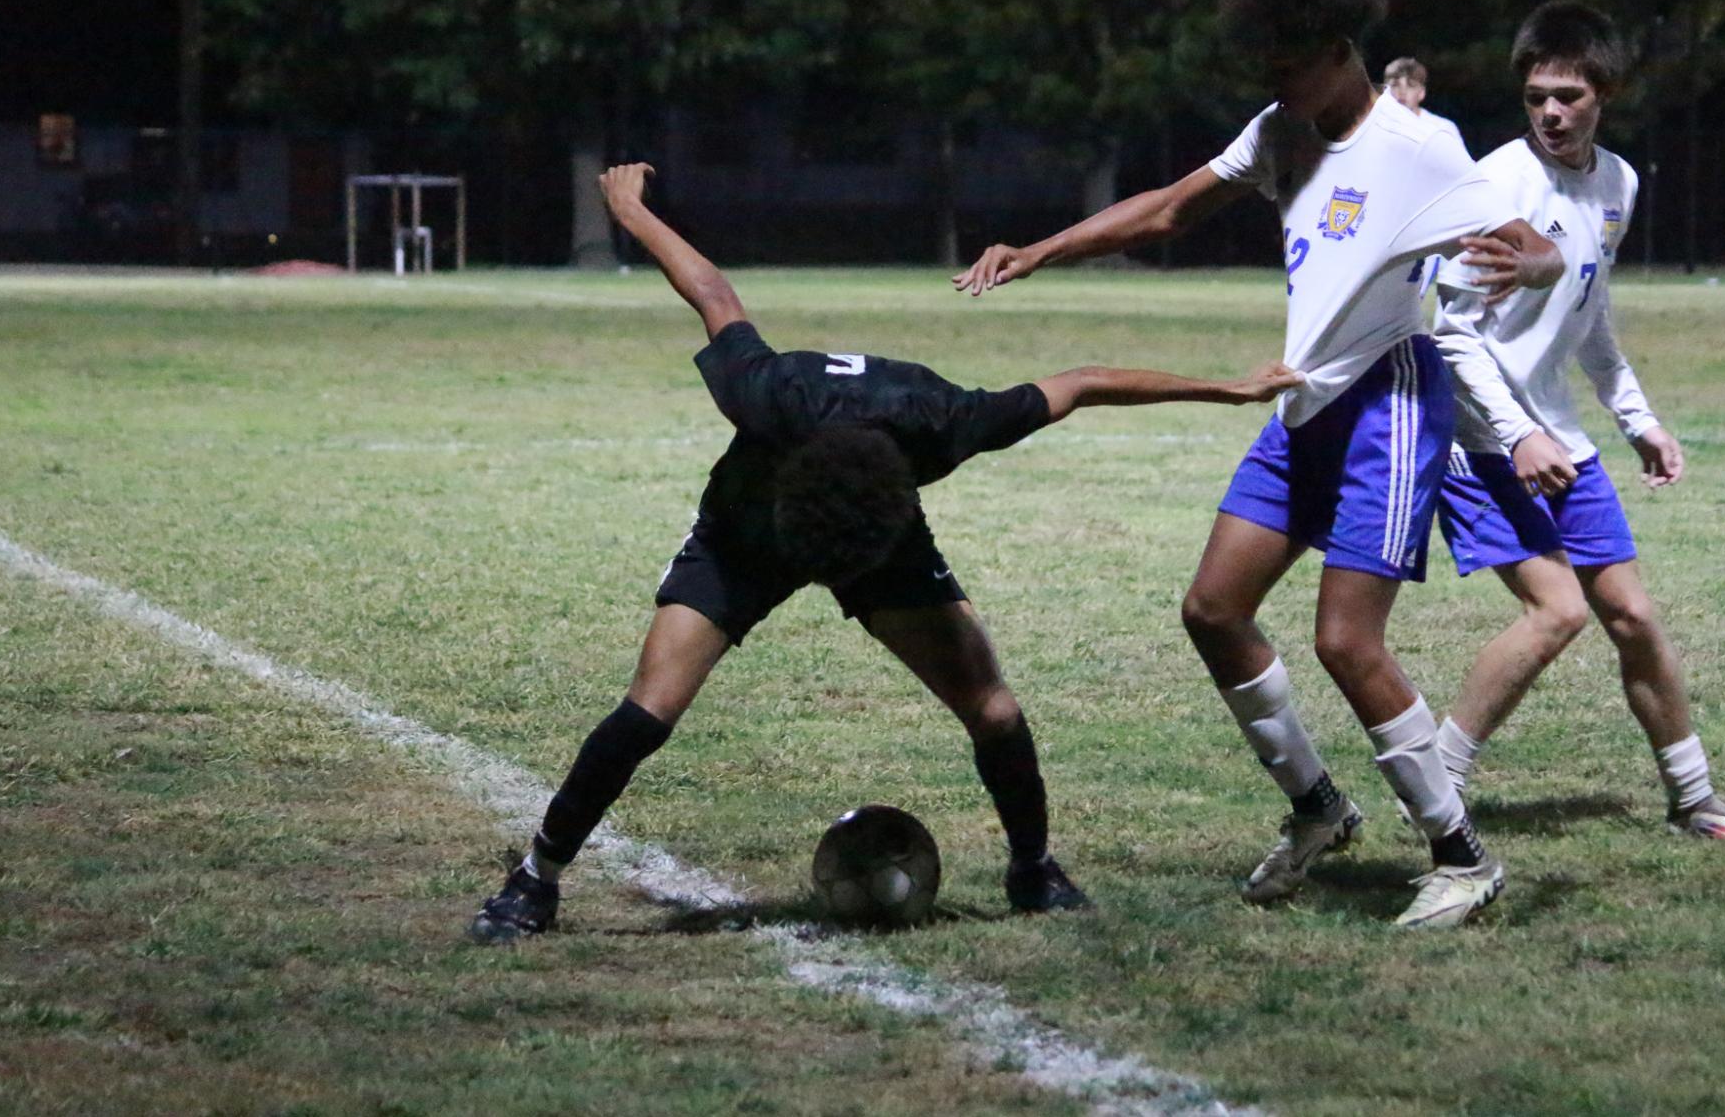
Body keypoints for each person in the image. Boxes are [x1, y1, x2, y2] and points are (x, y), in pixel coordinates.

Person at [470, 162, 1304, 941]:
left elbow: (1081, 381)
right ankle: (535, 879)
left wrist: (1225, 387)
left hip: (880, 540)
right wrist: (628, 211)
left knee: (994, 709)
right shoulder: (767, 398)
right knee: (648, 709)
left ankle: (1032, 870)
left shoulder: (938, 422)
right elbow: (712, 291)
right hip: (749, 530)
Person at [954, 0, 1566, 929]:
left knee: (1345, 641)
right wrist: (1040, 249)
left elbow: (1534, 244)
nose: (1275, 85)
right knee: (1212, 607)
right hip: (1303, 403)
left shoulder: (1420, 150)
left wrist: (1527, 268)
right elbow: (1166, 212)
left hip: (1389, 402)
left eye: (1287, 65)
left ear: (1337, 47)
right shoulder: (1283, 127)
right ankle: (1319, 808)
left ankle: (1461, 855)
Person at [1428, 2, 1725, 840]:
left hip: (1558, 440)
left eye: (1568, 96)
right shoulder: (1492, 186)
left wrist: (1635, 418)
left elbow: (1591, 312)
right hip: (1480, 444)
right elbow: (1448, 330)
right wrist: (1516, 435)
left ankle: (1694, 801)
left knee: (1633, 617)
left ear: (1604, 94)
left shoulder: (1616, 183)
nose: (1550, 112)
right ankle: (1429, 784)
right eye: (1537, 95)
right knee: (1556, 614)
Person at [1383, 57, 1467, 152]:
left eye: (1410, 85)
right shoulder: (1373, 127)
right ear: (1385, 90)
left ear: (1421, 93)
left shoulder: (1443, 129)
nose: (1403, 91)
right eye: (1395, 85)